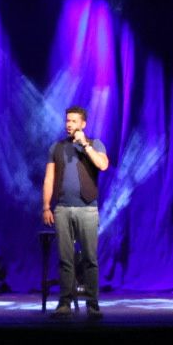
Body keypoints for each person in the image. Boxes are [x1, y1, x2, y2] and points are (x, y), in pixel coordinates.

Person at [41, 105, 110, 317]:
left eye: (73, 121)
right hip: (62, 209)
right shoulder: (57, 147)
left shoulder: (95, 143)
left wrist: (85, 146)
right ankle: (65, 303)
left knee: (90, 258)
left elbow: (103, 165)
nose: (68, 124)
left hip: (87, 209)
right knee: (65, 259)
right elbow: (49, 178)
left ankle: (92, 303)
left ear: (83, 124)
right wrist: (46, 206)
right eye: (67, 121)